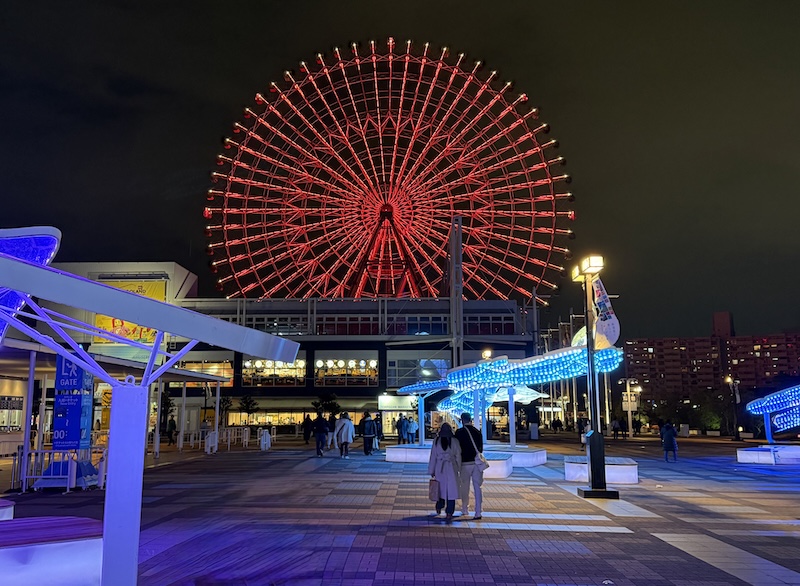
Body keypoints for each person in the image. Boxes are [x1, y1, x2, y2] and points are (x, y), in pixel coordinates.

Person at [427, 422, 462, 522]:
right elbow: (458, 455)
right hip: (451, 467)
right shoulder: (454, 441)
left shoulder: (437, 440)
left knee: (440, 489)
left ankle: (439, 506)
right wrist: (458, 468)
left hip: (439, 467)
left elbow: (433, 455)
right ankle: (449, 512)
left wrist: (432, 470)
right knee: (451, 491)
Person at [454, 412, 484, 520]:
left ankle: (465, 508)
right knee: (478, 487)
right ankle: (478, 512)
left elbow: (456, 449)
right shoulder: (477, 432)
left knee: (464, 487)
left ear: (462, 420)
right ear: (470, 419)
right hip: (476, 463)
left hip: (464, 463)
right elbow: (480, 449)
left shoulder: (459, 432)